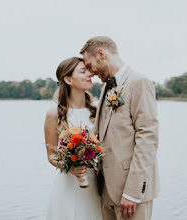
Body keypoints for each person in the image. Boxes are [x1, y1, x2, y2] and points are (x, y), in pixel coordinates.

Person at [80, 36, 160, 219]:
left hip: (131, 194)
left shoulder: (139, 82)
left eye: (90, 65)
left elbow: (148, 138)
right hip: (106, 189)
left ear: (101, 54)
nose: (90, 72)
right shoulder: (105, 88)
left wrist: (132, 192)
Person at [44, 57, 102, 220]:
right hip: (68, 187)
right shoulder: (54, 113)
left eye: (89, 70)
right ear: (68, 79)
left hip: (96, 188)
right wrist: (69, 167)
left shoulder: (97, 110)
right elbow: (51, 154)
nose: (90, 74)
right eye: (83, 72)